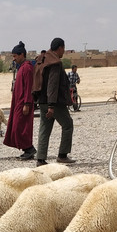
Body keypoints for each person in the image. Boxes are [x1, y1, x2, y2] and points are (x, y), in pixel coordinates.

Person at [32, 37, 74, 165]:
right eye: (63, 49)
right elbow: (53, 84)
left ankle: (40, 159)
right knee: (68, 124)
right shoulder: (54, 62)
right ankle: (62, 155)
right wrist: (51, 105)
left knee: (44, 129)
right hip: (54, 102)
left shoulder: (43, 59)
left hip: (42, 101)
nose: (63, 52)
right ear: (60, 48)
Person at [3, 41, 35, 160]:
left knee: (20, 127)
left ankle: (29, 149)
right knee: (17, 126)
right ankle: (27, 149)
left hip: (23, 103)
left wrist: (27, 103)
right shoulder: (21, 67)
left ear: (22, 55)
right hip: (18, 103)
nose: (14, 59)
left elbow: (28, 87)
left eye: (15, 56)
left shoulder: (27, 68)